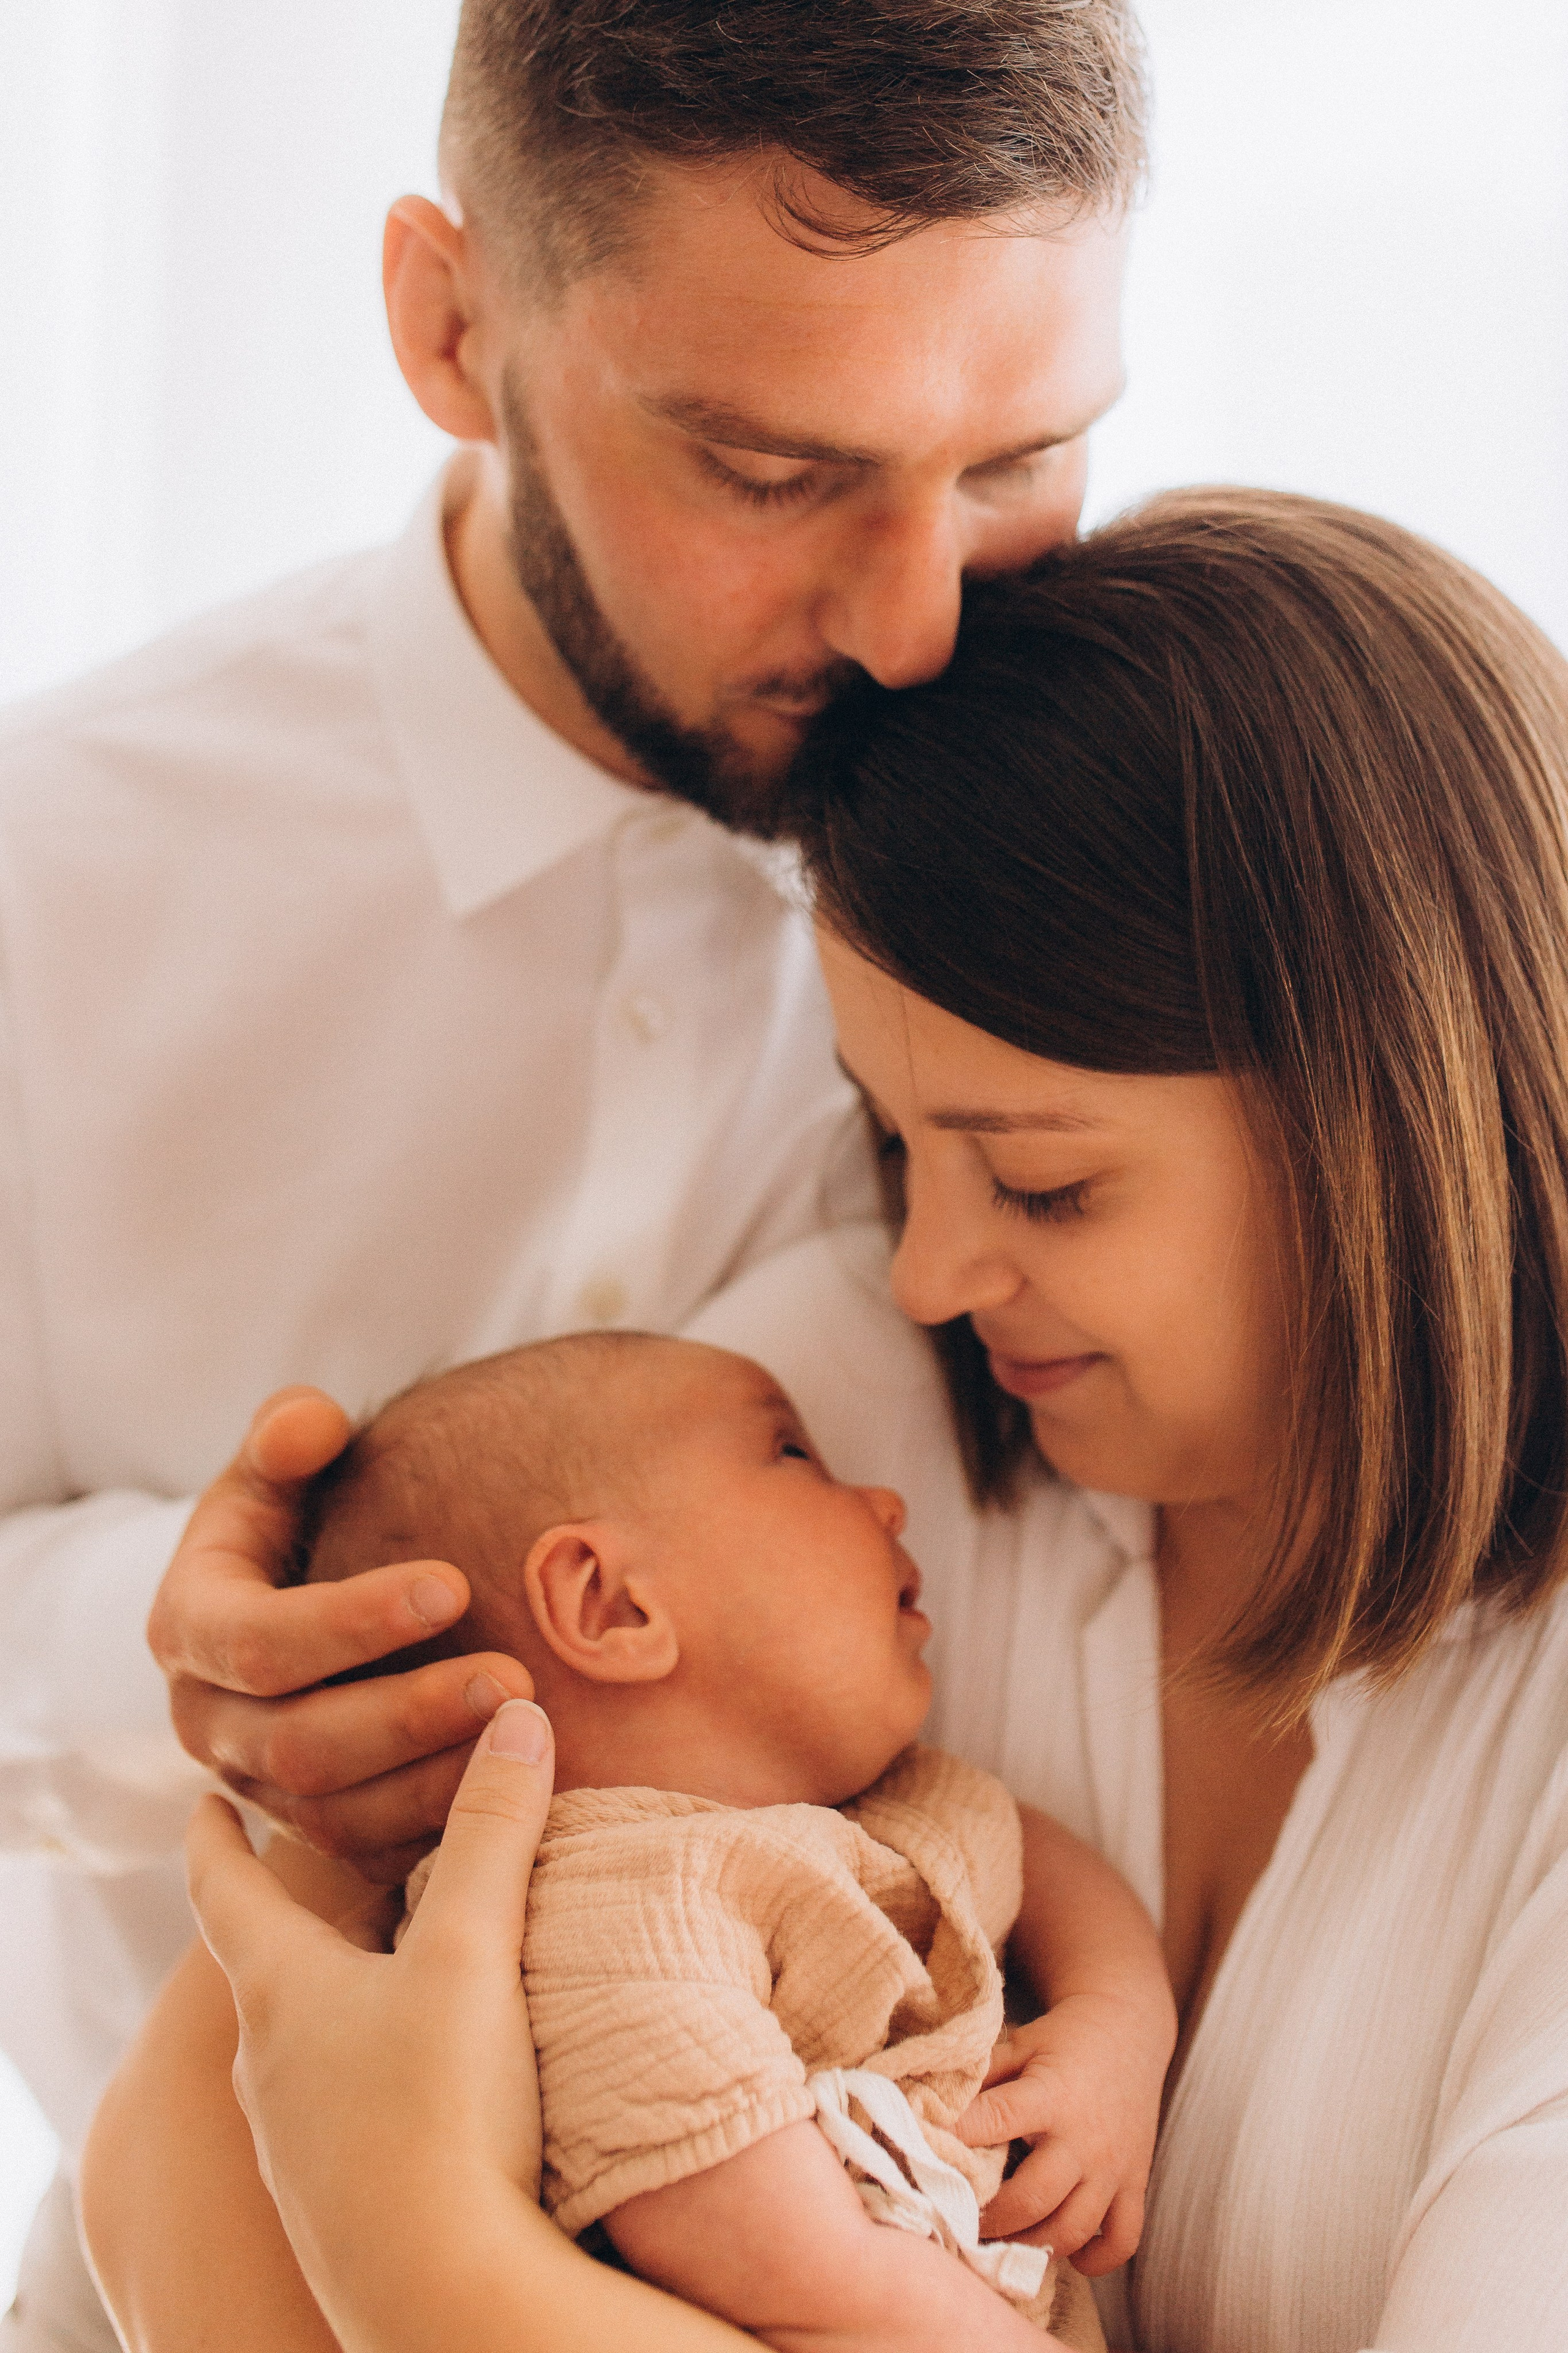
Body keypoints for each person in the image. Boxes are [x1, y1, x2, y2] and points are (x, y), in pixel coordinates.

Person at [94, 489, 1568, 2352]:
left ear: (1392, 1136)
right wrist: (329, 1725)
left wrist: (443, 2267)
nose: (930, 1268)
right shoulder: (857, 1405)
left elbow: (337, 2201)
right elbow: (162, 2187)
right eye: (893, 1138)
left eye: (1042, 1184)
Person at [0, 2, 1142, 2339]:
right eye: (767, 469)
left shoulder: (1132, 846)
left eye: (1025, 455)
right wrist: (173, 1663)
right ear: (451, 324)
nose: (919, 617)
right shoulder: (48, 888)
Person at [92, 1331, 1174, 2347]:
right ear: (608, 1604)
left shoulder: (877, 1799)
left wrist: (1116, 2025)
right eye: (792, 1454)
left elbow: (1033, 1858)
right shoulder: (612, 1897)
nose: (886, 1500)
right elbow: (772, 2246)